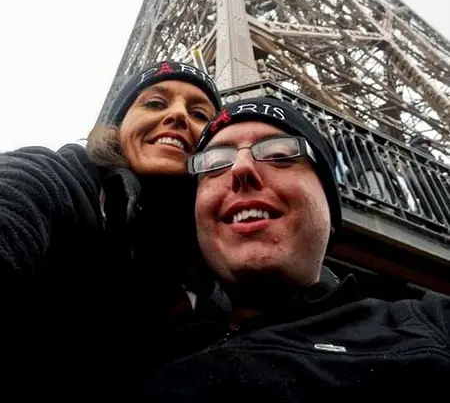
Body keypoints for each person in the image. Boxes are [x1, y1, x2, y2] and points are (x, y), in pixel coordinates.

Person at [138, 97, 450, 401]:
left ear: (330, 207)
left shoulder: (431, 324)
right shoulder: (141, 352)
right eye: (215, 163)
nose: (241, 169)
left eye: (278, 152)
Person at [0, 60, 221, 399]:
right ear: (117, 129)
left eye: (200, 115)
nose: (178, 116)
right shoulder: (60, 181)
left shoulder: (219, 276)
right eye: (155, 103)